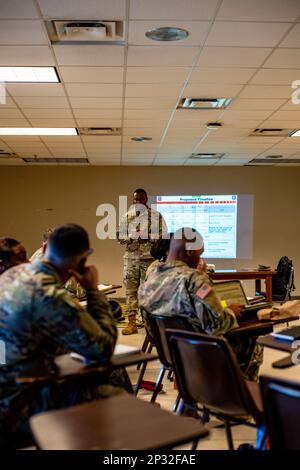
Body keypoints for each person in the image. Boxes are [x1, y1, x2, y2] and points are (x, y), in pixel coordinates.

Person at [0, 224, 131, 441]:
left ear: (44, 248)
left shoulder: (12, 275)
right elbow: (102, 349)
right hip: (17, 405)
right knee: (116, 396)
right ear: (81, 260)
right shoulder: (49, 295)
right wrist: (92, 290)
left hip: (9, 383)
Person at [139, 227, 263, 380]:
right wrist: (230, 311)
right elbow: (217, 325)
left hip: (171, 354)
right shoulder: (195, 279)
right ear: (190, 252)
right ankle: (240, 397)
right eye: (200, 253)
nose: (200, 258)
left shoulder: (148, 281)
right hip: (202, 354)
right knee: (253, 341)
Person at [117, 188, 168, 335]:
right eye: (135, 200)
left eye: (141, 199)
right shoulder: (126, 217)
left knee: (150, 292)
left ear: (146, 200)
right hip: (131, 259)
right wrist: (131, 237)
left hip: (149, 259)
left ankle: (150, 324)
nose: (138, 202)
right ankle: (131, 323)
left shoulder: (156, 216)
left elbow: (164, 236)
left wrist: (149, 236)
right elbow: (119, 237)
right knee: (130, 291)